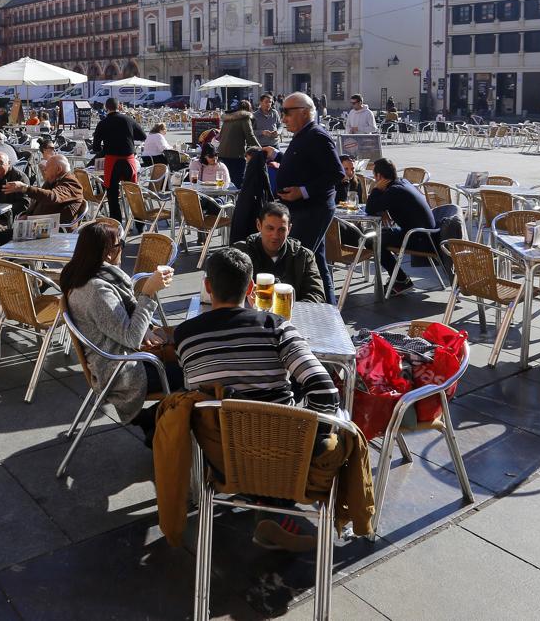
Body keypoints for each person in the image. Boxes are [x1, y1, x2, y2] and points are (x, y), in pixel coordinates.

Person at [175, 247, 340, 552]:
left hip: (223, 456)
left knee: (227, 418)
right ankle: (274, 508)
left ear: (208, 287)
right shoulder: (276, 327)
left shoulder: (185, 336)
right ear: (251, 289)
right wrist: (306, 441)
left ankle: (264, 505)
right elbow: (324, 390)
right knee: (325, 425)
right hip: (285, 454)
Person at [60, 220, 179, 429]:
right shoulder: (97, 290)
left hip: (118, 360)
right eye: (120, 244)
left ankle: (157, 421)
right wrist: (148, 291)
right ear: (107, 253)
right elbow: (131, 337)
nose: (122, 248)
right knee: (195, 369)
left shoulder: (88, 276)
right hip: (123, 372)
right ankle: (164, 426)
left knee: (186, 348)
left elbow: (125, 325)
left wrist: (147, 330)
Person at [261, 91, 344, 304]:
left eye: (287, 112)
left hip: (313, 208)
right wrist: (277, 155)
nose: (283, 118)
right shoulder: (303, 135)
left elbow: (336, 173)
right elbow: (302, 161)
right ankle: (330, 309)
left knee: (299, 258)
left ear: (305, 112)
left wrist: (303, 191)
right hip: (302, 208)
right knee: (317, 259)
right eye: (282, 112)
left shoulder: (317, 135)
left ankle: (298, 308)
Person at [365, 158, 436, 296]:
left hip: (419, 239)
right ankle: (399, 278)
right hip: (427, 234)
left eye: (375, 176)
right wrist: (384, 209)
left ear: (378, 176)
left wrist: (376, 189)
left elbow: (370, 208)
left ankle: (401, 280)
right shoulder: (403, 182)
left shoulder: (394, 191)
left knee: (371, 240)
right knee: (378, 234)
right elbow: (380, 206)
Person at [232, 203, 326, 303]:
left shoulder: (303, 256)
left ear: (289, 229)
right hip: (249, 315)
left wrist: (289, 307)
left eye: (281, 230)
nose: (275, 236)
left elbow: (317, 295)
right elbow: (225, 291)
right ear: (259, 225)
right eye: (270, 228)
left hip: (290, 316)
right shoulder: (240, 253)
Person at [92, 98, 146, 226]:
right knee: (133, 192)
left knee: (112, 194)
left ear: (106, 107)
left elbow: (96, 147)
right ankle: (139, 224)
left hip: (112, 160)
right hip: (129, 159)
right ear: (120, 107)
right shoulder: (129, 120)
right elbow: (143, 136)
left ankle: (116, 224)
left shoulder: (103, 123)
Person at [2, 154, 85, 222]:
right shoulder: (52, 181)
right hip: (38, 225)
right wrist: (27, 214)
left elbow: (52, 197)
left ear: (59, 169)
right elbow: (38, 200)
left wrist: (25, 188)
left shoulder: (71, 183)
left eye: (47, 168)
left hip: (57, 231)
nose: (44, 170)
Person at [218, 100, 260, 189]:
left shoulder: (228, 118)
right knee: (237, 181)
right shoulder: (245, 118)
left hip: (222, 153)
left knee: (225, 180)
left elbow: (220, 135)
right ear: (249, 109)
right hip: (236, 154)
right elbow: (250, 136)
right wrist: (260, 150)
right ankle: (236, 201)